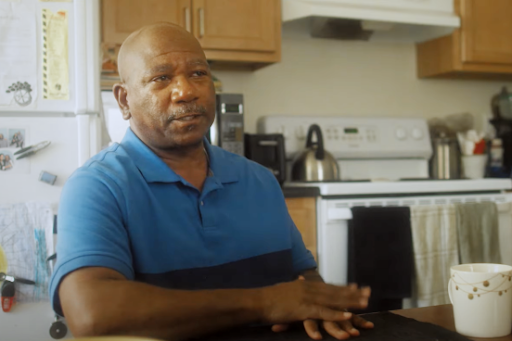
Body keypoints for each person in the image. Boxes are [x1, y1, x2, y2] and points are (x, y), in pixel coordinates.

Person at [50, 23, 373, 340]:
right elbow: (92, 316)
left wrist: (325, 309)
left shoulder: (258, 179)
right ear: (124, 100)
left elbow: (302, 278)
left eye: (198, 74)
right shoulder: (97, 187)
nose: (186, 91)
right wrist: (265, 303)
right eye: (162, 78)